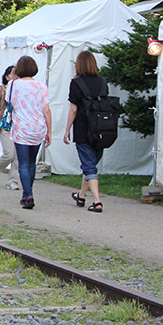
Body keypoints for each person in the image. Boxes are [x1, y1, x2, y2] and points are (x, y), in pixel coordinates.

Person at [63, 50, 107, 213]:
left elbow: (73, 109)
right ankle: (81, 196)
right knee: (91, 163)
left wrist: (67, 129)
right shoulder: (103, 82)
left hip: (83, 128)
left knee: (89, 165)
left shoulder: (76, 83)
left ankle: (97, 201)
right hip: (102, 129)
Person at [8, 56, 52, 210]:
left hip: (21, 128)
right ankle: (27, 193)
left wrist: (13, 78)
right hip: (38, 128)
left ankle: (28, 194)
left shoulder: (13, 85)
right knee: (32, 163)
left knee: (23, 164)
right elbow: (47, 110)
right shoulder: (41, 86)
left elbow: (10, 103)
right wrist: (49, 131)